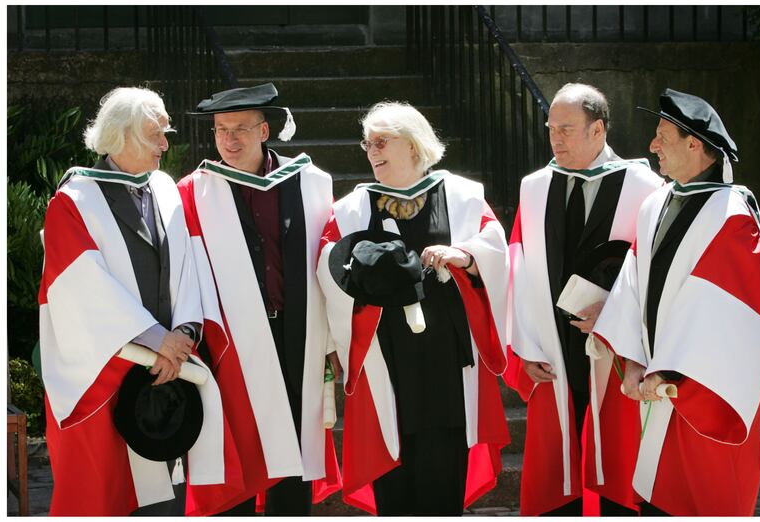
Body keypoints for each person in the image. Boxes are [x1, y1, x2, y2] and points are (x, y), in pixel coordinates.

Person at [39, 86, 231, 515]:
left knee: (162, 497)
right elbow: (80, 288)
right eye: (154, 134)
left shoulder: (164, 189)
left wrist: (181, 337)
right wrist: (155, 340)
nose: (166, 144)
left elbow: (188, 268)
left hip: (164, 374)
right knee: (104, 496)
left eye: (166, 133)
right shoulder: (74, 201)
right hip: (107, 375)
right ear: (119, 135)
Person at [592, 88, 760, 516]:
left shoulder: (733, 214)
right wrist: (635, 362)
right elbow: (631, 287)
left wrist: (668, 371)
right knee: (661, 499)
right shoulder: (656, 202)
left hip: (704, 391)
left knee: (707, 499)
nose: (651, 146)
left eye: (662, 136)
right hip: (656, 388)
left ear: (695, 144)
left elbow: (736, 312)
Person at [316, 102, 510, 516]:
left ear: (414, 143)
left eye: (382, 141)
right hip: (386, 360)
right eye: (368, 143)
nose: (372, 150)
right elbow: (327, 273)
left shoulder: (461, 195)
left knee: (443, 475)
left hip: (444, 362)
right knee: (394, 481)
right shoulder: (349, 210)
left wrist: (464, 255)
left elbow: (496, 250)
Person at [177, 83, 341, 516]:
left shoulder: (310, 181)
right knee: (238, 450)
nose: (229, 140)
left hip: (296, 334)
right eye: (220, 130)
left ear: (265, 130)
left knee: (293, 449)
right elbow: (183, 273)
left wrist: (335, 342)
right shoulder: (194, 191)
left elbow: (328, 263)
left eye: (241, 129)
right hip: (230, 344)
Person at [505, 83, 662, 516]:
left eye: (567, 129)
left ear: (598, 130)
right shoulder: (534, 188)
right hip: (553, 354)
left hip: (614, 354)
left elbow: (655, 273)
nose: (555, 139)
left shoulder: (644, 186)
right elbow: (517, 268)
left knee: (616, 469)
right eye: (551, 128)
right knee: (557, 479)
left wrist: (615, 316)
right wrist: (524, 348)